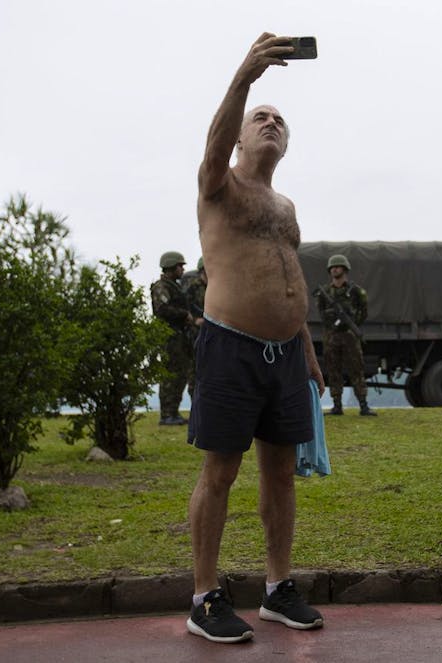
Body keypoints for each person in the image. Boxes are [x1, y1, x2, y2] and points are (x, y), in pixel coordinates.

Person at [186, 32, 326, 644]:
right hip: (230, 347)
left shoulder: (285, 206)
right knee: (221, 471)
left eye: (279, 120)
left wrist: (308, 350)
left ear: (285, 145)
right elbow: (213, 146)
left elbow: (287, 277)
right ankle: (204, 598)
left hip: (286, 355)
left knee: (281, 473)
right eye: (260, 118)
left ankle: (277, 589)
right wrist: (246, 76)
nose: (271, 122)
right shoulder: (219, 185)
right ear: (241, 138)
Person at [315, 254, 377, 416]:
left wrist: (351, 323)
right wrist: (332, 322)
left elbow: (364, 312)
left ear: (345, 269)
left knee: (357, 369)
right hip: (332, 336)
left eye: (338, 267)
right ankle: (337, 406)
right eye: (332, 267)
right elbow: (321, 312)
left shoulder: (355, 291)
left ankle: (363, 405)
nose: (335, 269)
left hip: (349, 336)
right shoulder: (325, 292)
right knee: (333, 370)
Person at [150, 251, 199, 425]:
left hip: (179, 336)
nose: (182, 269)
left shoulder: (174, 286)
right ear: (171, 266)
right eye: (180, 266)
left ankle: (173, 413)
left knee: (181, 375)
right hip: (169, 337)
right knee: (170, 375)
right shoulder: (161, 287)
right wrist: (184, 314)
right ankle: (167, 415)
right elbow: (162, 309)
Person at [181, 257, 208, 397]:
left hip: (211, 333)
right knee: (194, 369)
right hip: (194, 332)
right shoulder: (193, 287)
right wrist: (195, 321)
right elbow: (184, 308)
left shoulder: (214, 287)